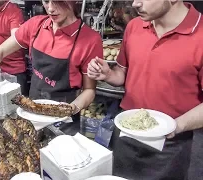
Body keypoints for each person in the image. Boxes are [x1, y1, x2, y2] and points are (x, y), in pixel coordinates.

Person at [87, 1, 203, 179]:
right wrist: (109, 74)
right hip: (127, 132)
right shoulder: (135, 26)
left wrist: (174, 126)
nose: (135, 3)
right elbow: (123, 73)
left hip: (170, 145)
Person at [0, 0, 103, 119]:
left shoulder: (90, 40)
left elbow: (89, 90)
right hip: (32, 110)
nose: (50, 8)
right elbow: (0, 51)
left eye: (57, 1)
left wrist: (70, 110)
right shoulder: (36, 25)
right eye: (46, 1)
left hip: (65, 119)